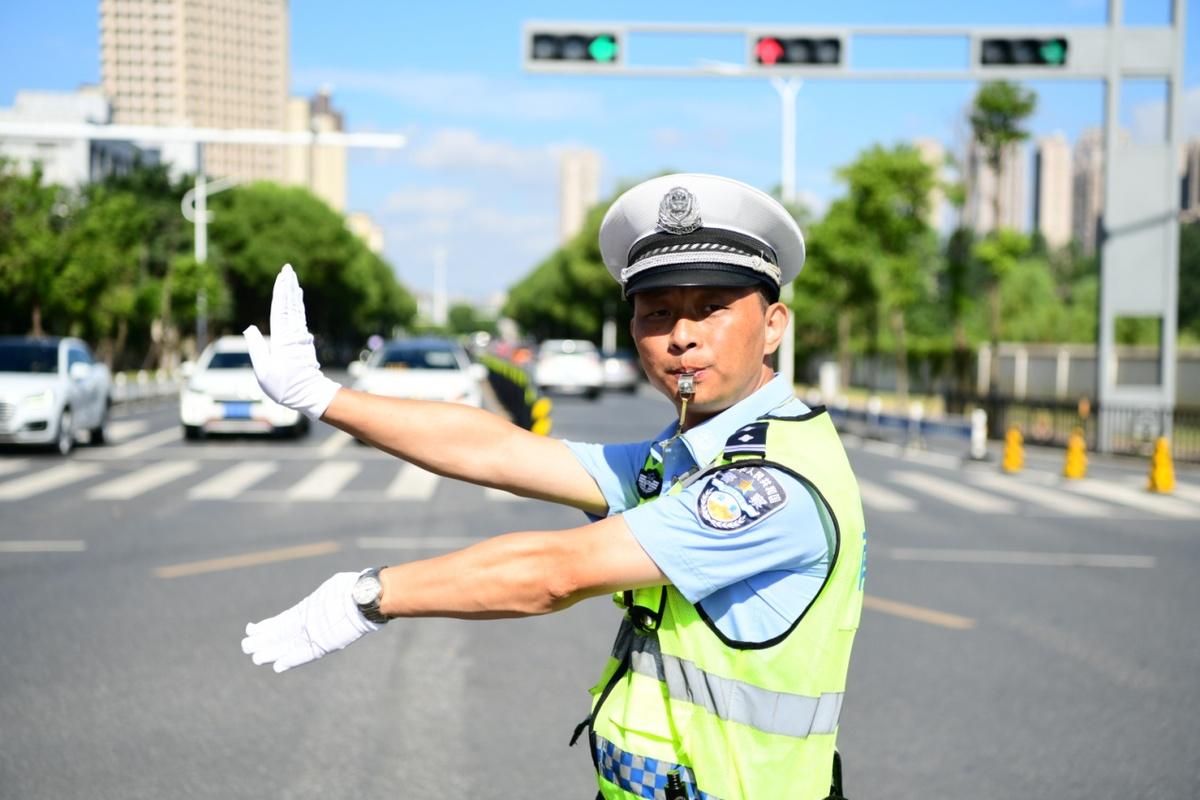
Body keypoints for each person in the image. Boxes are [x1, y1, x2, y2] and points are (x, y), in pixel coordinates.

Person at [240, 173, 866, 800]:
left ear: (775, 324)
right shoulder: (692, 453)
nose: (682, 334)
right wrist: (322, 397)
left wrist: (369, 596)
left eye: (711, 308)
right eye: (658, 312)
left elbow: (555, 573)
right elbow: (501, 451)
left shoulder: (768, 483)